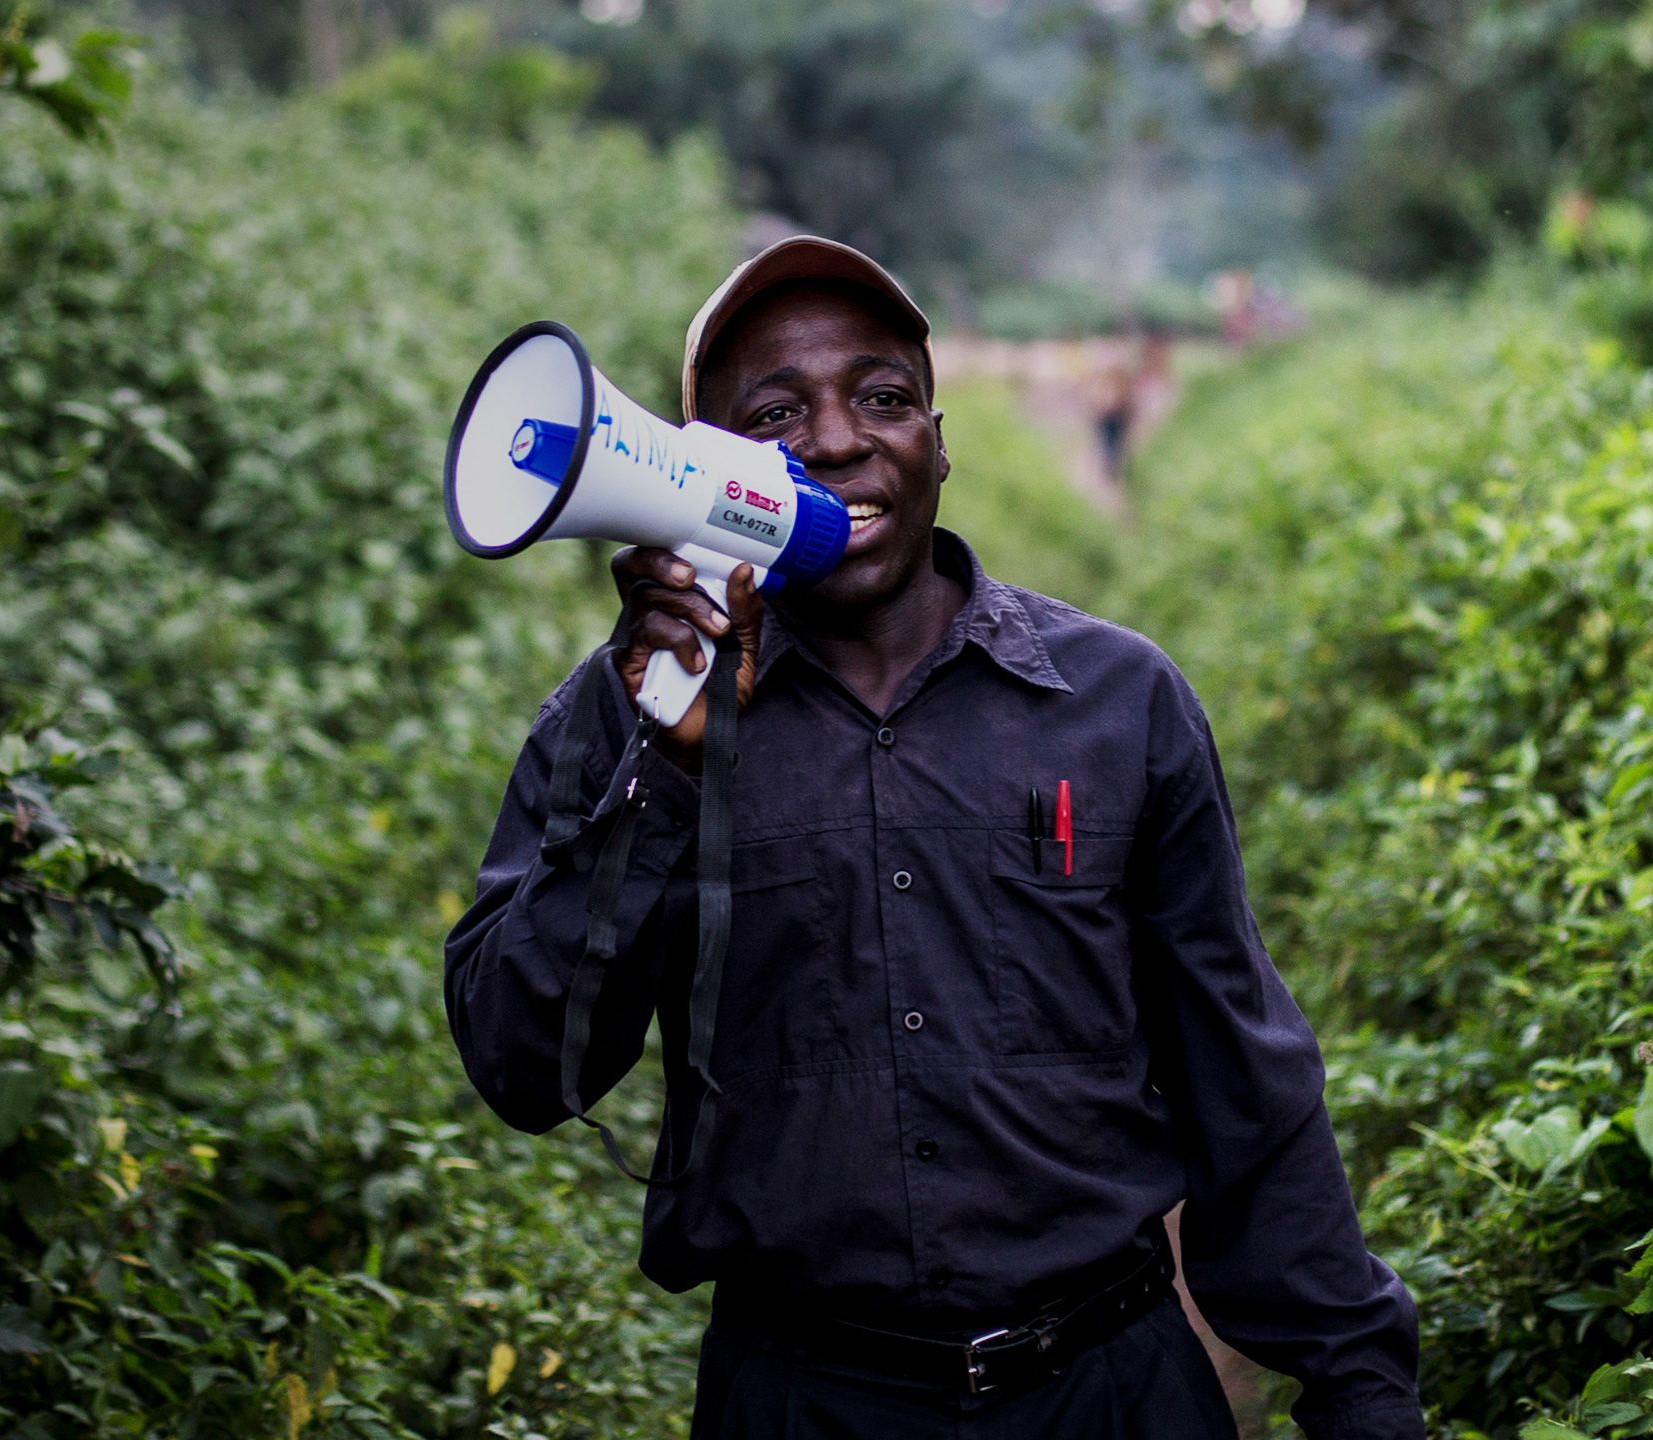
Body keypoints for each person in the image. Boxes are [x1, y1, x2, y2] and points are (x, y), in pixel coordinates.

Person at [442, 236, 1422, 1439]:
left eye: (884, 398)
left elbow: (1243, 1071)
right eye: (774, 414)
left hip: (1113, 1391)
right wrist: (670, 767)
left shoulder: (1119, 701)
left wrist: (1359, 1386)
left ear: (940, 442)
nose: (841, 440)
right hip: (801, 1403)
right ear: (697, 475)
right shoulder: (621, 719)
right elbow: (524, 1068)